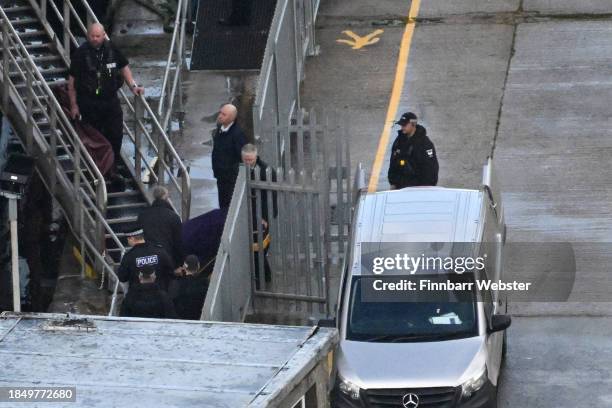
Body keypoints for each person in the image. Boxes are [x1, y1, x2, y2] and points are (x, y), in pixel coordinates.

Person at [67, 23, 144, 180]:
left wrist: (133, 86)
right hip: (89, 103)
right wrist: (74, 105)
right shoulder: (80, 54)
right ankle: (96, 170)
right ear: (88, 36)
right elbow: (72, 82)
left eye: (98, 36)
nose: (95, 39)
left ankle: (112, 168)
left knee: (115, 134)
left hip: (110, 101)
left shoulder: (112, 49)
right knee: (95, 137)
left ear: (103, 35)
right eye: (92, 36)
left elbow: (124, 67)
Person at [241, 144, 277, 286]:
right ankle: (259, 278)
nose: (248, 163)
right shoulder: (240, 169)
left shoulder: (266, 171)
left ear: (256, 156)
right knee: (252, 251)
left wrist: (266, 217)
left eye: (251, 160)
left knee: (259, 251)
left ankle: (264, 278)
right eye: (246, 160)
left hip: (262, 218)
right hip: (247, 215)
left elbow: (271, 198)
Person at [387, 112, 439, 189]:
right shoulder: (399, 141)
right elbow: (393, 162)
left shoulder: (425, 144)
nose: (402, 127)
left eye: (405, 125)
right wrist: (393, 182)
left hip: (419, 188)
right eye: (401, 125)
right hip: (401, 187)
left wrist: (428, 187)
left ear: (413, 124)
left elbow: (431, 168)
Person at [137, 186, 184, 268]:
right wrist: (179, 264)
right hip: (166, 258)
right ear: (165, 196)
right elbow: (178, 243)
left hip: (147, 259)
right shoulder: (173, 216)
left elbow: (138, 238)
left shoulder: (142, 216)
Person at [117, 227, 175, 292]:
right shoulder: (160, 251)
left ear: (132, 238)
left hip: (138, 297)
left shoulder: (129, 256)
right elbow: (170, 271)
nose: (128, 241)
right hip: (160, 295)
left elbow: (122, 278)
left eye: (128, 239)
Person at [211, 103, 247, 209]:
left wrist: (233, 173)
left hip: (231, 179)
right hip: (220, 176)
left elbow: (241, 156)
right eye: (220, 113)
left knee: (230, 206)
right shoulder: (220, 129)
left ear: (232, 118)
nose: (220, 116)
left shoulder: (237, 134)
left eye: (224, 114)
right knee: (222, 204)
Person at [170, 255, 209, 320]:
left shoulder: (177, 284)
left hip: (182, 319)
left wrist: (175, 275)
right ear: (198, 266)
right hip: (199, 317)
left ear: (184, 267)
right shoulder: (203, 283)